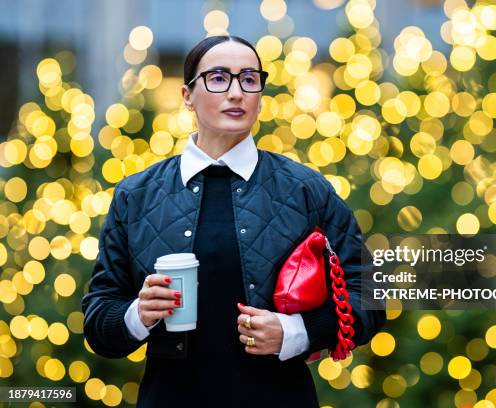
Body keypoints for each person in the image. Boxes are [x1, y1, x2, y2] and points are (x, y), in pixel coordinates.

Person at [81, 34, 386, 407]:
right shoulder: (136, 195)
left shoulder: (306, 190)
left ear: (260, 95)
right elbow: (99, 318)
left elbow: (371, 294)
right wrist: (137, 314)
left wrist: (296, 332)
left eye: (249, 79)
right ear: (187, 96)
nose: (236, 92)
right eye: (219, 78)